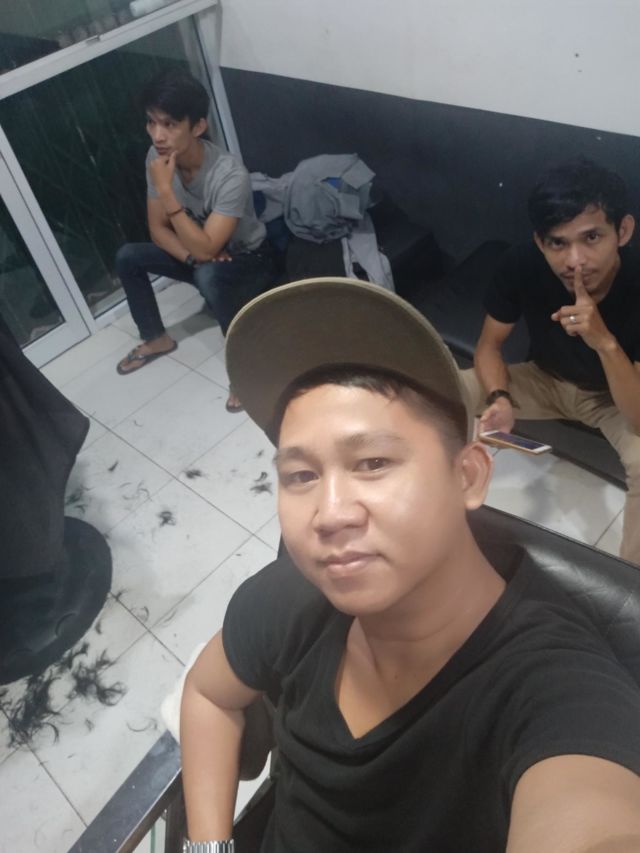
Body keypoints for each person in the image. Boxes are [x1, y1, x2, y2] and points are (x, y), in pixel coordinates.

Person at [179, 278, 640, 852]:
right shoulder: (290, 596)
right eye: (301, 475)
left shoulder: (554, 692)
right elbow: (208, 695)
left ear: (468, 476)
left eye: (373, 462)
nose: (329, 513)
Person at [461, 158, 640, 564]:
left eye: (591, 237)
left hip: (612, 398)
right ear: (541, 243)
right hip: (544, 378)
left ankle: (628, 585)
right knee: (437, 384)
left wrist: (604, 342)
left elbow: (638, 417)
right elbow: (489, 346)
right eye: (558, 243)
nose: (575, 260)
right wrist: (499, 397)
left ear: (623, 231)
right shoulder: (521, 262)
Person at [115, 68, 276, 411]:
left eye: (170, 124)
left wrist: (166, 193)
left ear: (198, 126)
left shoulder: (229, 174)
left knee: (209, 275)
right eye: (151, 122)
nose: (157, 135)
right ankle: (156, 338)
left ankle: (245, 371)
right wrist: (191, 258)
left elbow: (207, 246)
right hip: (199, 254)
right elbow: (158, 230)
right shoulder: (156, 158)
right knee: (129, 256)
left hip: (249, 258)